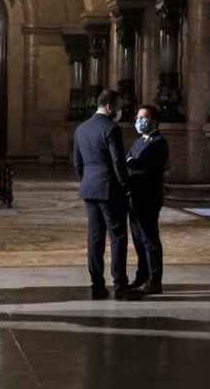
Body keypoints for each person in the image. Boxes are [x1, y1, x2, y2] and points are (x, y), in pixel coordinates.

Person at [73, 89, 137, 300]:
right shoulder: (111, 128)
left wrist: (85, 181)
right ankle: (120, 285)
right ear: (109, 107)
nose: (119, 112)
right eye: (118, 108)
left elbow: (77, 162)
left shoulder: (81, 128)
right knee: (118, 237)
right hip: (110, 189)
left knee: (95, 238)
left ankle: (97, 285)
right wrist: (126, 185)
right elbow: (118, 162)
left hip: (90, 188)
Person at [126, 104, 169, 294]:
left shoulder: (159, 142)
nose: (139, 121)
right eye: (138, 117)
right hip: (134, 196)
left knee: (150, 239)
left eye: (143, 117)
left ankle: (154, 280)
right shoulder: (138, 141)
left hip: (149, 196)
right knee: (137, 239)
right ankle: (142, 275)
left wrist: (132, 164)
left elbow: (143, 168)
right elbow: (129, 162)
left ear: (154, 121)